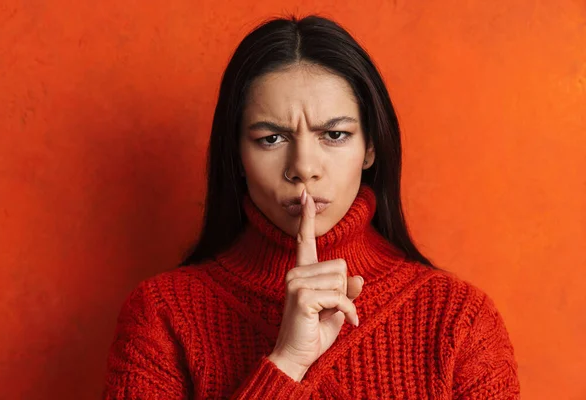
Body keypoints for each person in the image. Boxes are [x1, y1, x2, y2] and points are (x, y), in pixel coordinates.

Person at [102, 15, 520, 399]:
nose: (303, 167)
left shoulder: (459, 318)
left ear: (370, 146)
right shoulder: (162, 314)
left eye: (334, 134)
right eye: (271, 139)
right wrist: (286, 362)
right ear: (237, 157)